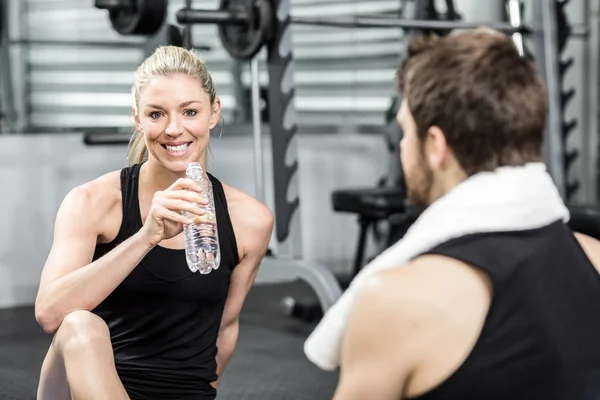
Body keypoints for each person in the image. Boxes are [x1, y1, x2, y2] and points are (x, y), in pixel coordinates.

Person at [332, 29, 600, 399]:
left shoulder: (398, 300)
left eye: (406, 133)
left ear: (436, 146)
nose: (403, 149)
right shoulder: (594, 258)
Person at [34, 45, 274, 400]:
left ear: (214, 112)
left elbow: (224, 327)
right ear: (137, 119)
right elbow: (50, 314)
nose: (174, 130)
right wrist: (147, 236)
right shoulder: (92, 203)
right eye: (157, 114)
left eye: (190, 111)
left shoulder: (250, 220)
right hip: (88, 385)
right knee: (79, 325)